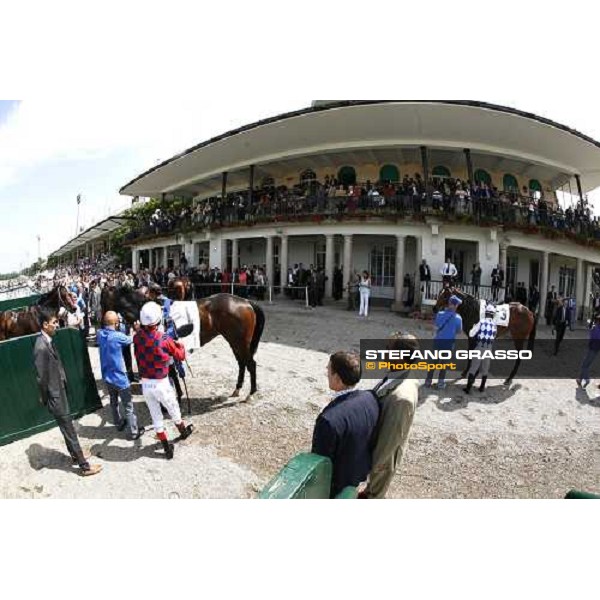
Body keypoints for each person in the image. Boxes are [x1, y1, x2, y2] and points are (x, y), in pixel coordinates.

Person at [33, 307, 102, 476]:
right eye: (54, 322)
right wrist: (45, 398)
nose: (57, 325)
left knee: (67, 426)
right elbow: (41, 378)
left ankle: (75, 455)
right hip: (55, 396)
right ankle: (84, 466)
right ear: (45, 324)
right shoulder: (40, 347)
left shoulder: (47, 341)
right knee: (69, 428)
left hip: (59, 391)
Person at [311, 351, 379, 498]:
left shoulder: (328, 420)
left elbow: (320, 465)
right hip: (357, 476)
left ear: (337, 378)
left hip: (335, 487)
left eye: (329, 369)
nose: (326, 372)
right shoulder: (370, 398)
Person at [361, 333, 420, 499]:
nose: (384, 352)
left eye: (388, 349)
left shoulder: (402, 398)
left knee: (373, 496)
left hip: (382, 461)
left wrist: (374, 468)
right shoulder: (396, 373)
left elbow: (388, 444)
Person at [134, 302, 194, 459]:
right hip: (161, 383)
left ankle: (167, 447)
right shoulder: (164, 339)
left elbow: (143, 335)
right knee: (173, 408)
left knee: (155, 416)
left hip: (146, 384)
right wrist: (179, 345)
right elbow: (180, 355)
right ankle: (182, 431)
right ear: (158, 321)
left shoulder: (136, 337)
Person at [96, 311, 145, 440]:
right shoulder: (118, 336)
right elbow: (131, 339)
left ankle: (118, 423)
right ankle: (134, 432)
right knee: (128, 406)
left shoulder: (100, 334)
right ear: (116, 323)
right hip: (120, 379)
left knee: (113, 402)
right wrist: (137, 329)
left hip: (107, 377)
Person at [424, 295, 463, 390]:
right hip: (449, 344)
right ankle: (440, 383)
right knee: (444, 364)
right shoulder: (458, 318)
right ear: (455, 305)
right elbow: (459, 331)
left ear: (449, 303)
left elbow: (436, 326)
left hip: (438, 341)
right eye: (457, 304)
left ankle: (428, 381)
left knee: (433, 362)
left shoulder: (440, 314)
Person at [463, 304, 498, 394]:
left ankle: (468, 388)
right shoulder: (494, 325)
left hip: (479, 346)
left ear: (485, 313)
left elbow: (471, 334)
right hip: (488, 348)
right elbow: (493, 337)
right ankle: (482, 387)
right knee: (485, 368)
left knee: (474, 367)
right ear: (493, 314)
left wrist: (474, 326)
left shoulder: (481, 322)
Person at [577, 314, 600, 388]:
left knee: (584, 365)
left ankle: (587, 380)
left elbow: (591, 338)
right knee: (587, 364)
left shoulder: (595, 328)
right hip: (597, 350)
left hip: (592, 348)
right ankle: (579, 379)